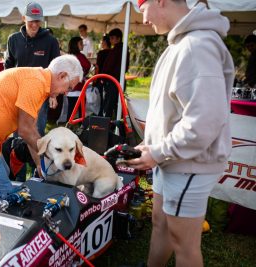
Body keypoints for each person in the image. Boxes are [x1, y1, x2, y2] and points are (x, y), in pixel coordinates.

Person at [127, 1, 235, 267]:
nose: (143, 20)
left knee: (184, 244)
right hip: (171, 159)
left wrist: (159, 151)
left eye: (143, 9)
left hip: (189, 164)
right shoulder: (180, 42)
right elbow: (173, 109)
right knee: (160, 223)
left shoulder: (197, 45)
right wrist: (150, 144)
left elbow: (204, 122)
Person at [0, 55, 83, 210]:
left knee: (5, 175)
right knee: (6, 197)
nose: (66, 93)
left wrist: (40, 164)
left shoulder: (38, 80)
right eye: (69, 87)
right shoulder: (36, 83)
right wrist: (53, 155)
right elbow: (25, 130)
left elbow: (30, 130)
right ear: (62, 76)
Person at [4, 2, 60, 181]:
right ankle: (17, 177)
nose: (34, 25)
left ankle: (37, 176)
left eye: (37, 21)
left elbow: (55, 71)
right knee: (19, 136)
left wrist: (53, 95)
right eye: (31, 21)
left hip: (39, 97)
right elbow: (8, 67)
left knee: (37, 135)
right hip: (18, 96)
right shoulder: (13, 40)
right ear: (23, 19)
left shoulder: (50, 41)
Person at [101, 28, 129, 118]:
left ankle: (107, 124)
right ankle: (113, 122)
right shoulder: (118, 49)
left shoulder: (120, 50)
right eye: (110, 38)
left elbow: (110, 65)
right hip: (115, 80)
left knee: (110, 104)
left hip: (114, 81)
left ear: (118, 38)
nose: (110, 40)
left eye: (112, 38)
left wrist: (104, 77)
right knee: (115, 104)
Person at [66, 37, 91, 120]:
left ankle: (70, 126)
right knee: (78, 109)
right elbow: (87, 66)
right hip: (77, 88)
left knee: (73, 109)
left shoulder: (69, 56)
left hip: (73, 87)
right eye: (80, 43)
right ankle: (79, 126)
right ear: (75, 45)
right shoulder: (78, 56)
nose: (82, 45)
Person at [95, 34, 111, 115]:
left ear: (105, 42)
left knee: (100, 99)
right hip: (110, 79)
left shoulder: (101, 53)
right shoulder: (112, 52)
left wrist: (95, 79)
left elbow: (97, 67)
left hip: (100, 78)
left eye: (102, 41)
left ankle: (100, 114)